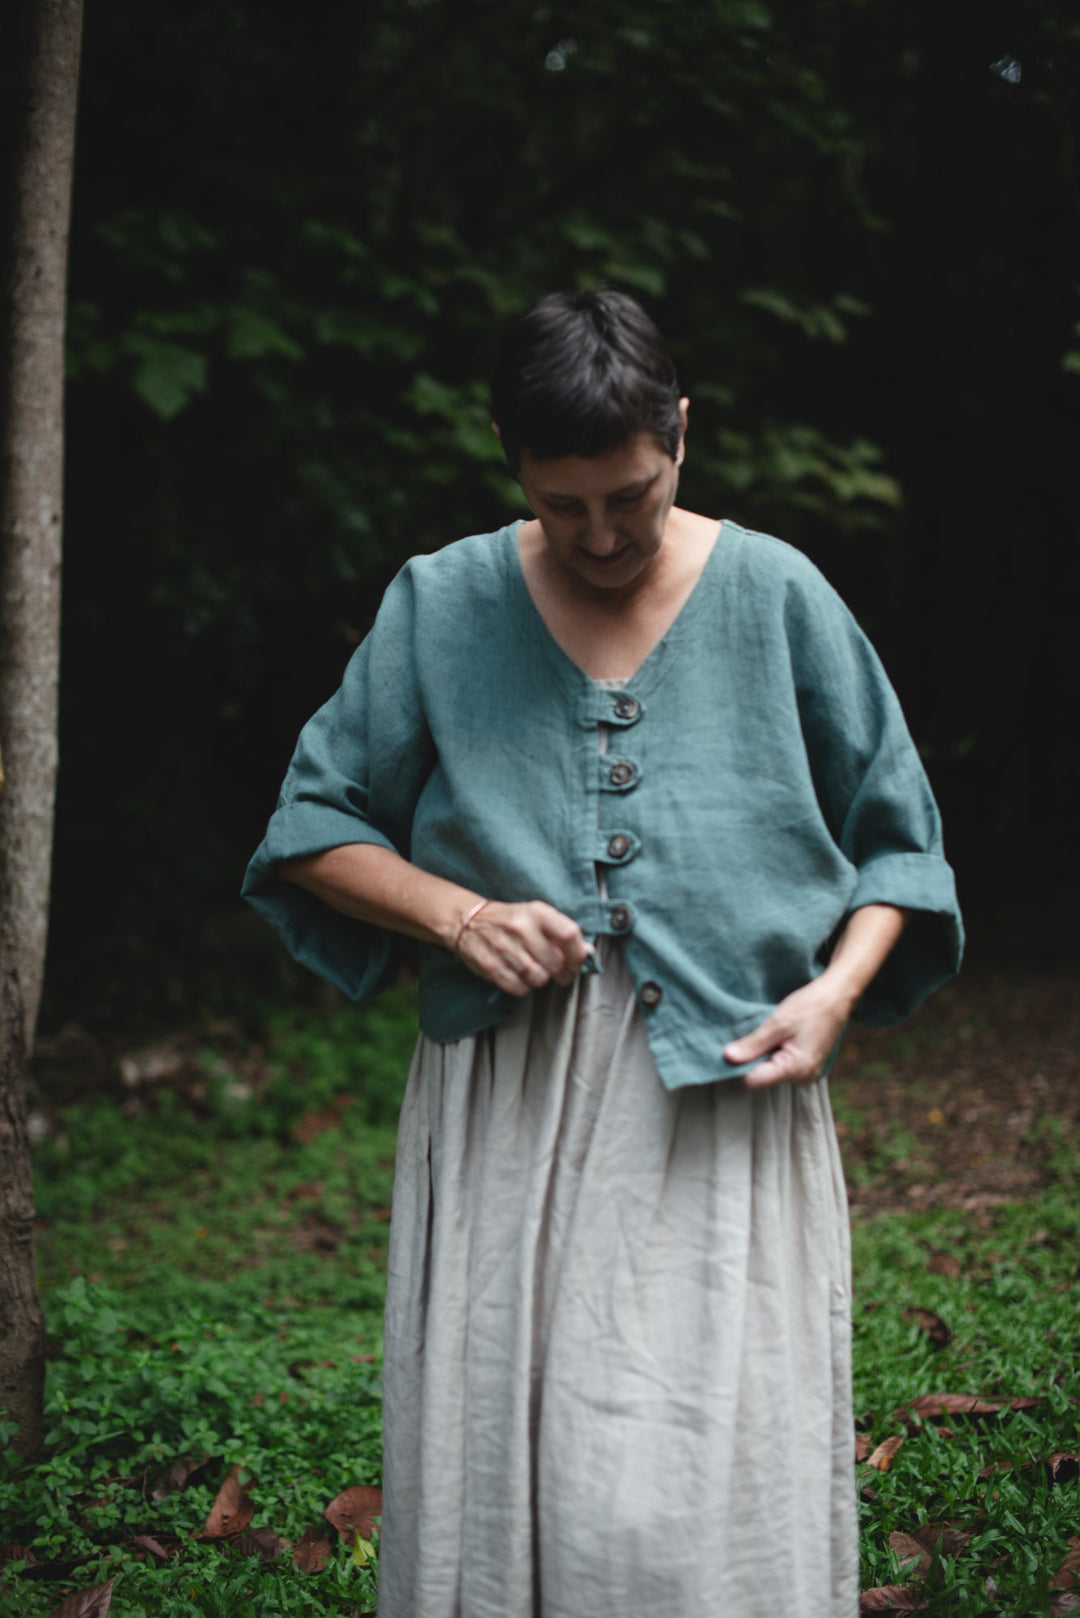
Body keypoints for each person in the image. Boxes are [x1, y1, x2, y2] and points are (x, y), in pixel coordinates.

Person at [243, 289, 962, 1618]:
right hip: (508, 1102)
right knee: (507, 1437)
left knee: (684, 1470)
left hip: (724, 1099)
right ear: (513, 459)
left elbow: (899, 848)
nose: (601, 533)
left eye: (629, 494)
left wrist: (835, 993)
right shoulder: (442, 602)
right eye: (563, 502)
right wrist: (455, 912)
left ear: (681, 433)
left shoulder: (779, 592)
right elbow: (309, 828)